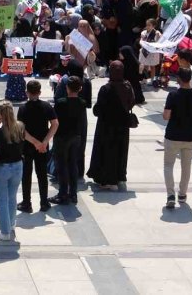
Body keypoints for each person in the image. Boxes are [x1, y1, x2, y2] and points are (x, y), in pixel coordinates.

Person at [162, 67, 192, 208]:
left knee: (168, 165)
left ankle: (170, 195)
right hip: (189, 136)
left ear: (179, 79)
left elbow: (166, 116)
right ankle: (182, 194)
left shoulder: (173, 95)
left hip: (173, 135)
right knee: (186, 167)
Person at [87, 61, 134, 190]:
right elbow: (131, 103)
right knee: (120, 151)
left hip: (106, 127)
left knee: (107, 151)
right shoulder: (127, 86)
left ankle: (108, 180)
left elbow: (98, 110)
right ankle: (119, 177)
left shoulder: (106, 89)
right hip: (123, 126)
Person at [17, 80, 58, 213]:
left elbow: (21, 130)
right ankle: (44, 202)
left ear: (27, 92)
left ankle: (27, 203)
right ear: (40, 92)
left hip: (27, 146)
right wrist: (44, 142)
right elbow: (55, 124)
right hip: (42, 147)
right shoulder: (47, 106)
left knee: (26, 175)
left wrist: (34, 142)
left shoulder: (23, 108)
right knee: (42, 175)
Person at [0, 101, 26, 241]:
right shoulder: (20, 127)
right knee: (12, 197)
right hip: (17, 165)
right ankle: (11, 225)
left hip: (0, 167)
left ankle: (4, 232)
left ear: (0, 114)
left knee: (2, 200)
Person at [51, 76, 85, 204]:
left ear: (67, 88)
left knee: (62, 165)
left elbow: (55, 121)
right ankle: (73, 194)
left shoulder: (60, 102)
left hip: (62, 137)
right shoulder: (82, 103)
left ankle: (63, 193)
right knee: (73, 165)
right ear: (80, 88)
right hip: (76, 137)